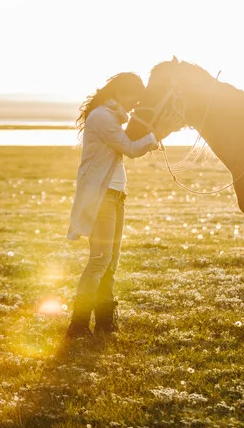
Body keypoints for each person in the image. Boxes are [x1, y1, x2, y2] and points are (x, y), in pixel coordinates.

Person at [66, 72, 181, 339]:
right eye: (133, 99)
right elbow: (129, 148)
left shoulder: (111, 116)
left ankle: (105, 321)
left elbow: (127, 147)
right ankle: (79, 324)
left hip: (116, 195)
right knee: (99, 261)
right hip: (102, 197)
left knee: (111, 262)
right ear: (121, 93)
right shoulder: (102, 117)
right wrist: (160, 133)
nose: (133, 106)